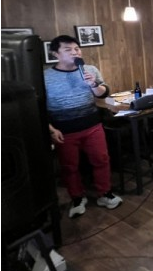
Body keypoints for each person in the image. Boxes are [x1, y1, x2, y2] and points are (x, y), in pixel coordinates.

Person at [45, 35, 122, 218]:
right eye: (68, 49)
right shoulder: (45, 76)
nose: (75, 52)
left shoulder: (89, 69)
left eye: (77, 49)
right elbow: (37, 106)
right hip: (63, 130)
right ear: (56, 54)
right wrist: (51, 130)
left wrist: (93, 84)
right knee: (69, 167)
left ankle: (104, 193)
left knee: (101, 159)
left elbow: (103, 93)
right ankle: (77, 198)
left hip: (92, 125)